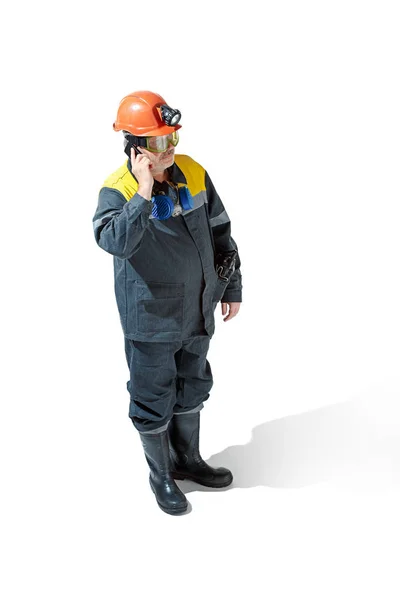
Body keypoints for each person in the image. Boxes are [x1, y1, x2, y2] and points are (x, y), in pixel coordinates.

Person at [92, 90, 243, 515]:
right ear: (135, 147)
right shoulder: (118, 189)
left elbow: (220, 232)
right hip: (152, 319)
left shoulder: (192, 172)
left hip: (198, 309)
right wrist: (142, 192)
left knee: (193, 384)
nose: (169, 149)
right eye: (158, 142)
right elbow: (114, 242)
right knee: (152, 393)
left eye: (171, 139)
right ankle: (160, 474)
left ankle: (187, 460)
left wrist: (231, 287)